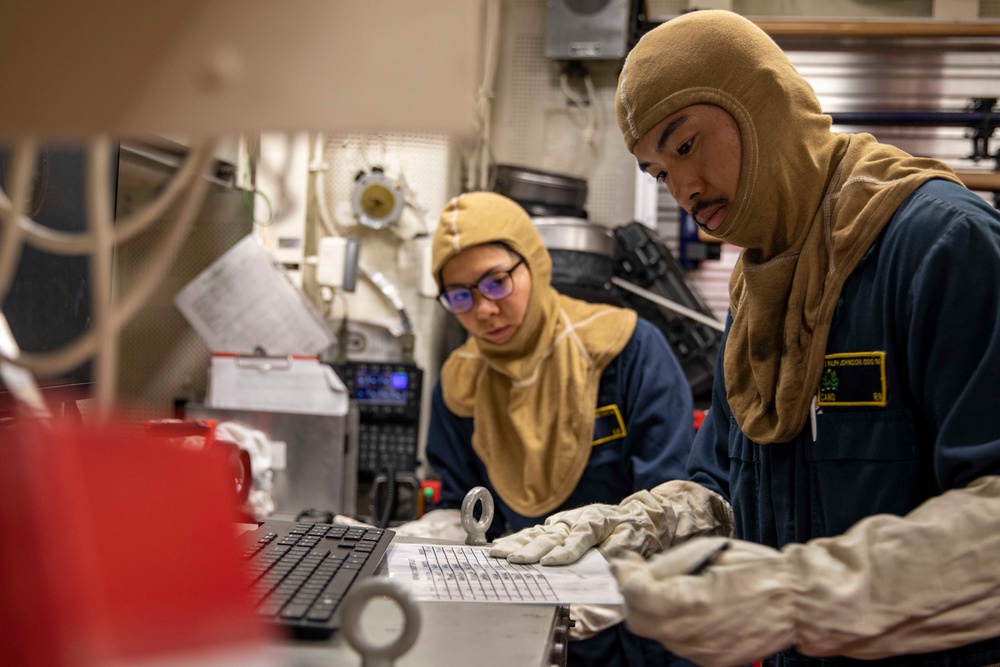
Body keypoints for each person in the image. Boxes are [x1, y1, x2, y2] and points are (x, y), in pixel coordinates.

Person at [488, 10, 1000, 667]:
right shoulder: (756, 291)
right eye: (659, 173)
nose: (684, 188)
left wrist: (796, 594)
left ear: (758, 104)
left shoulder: (939, 247)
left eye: (685, 144)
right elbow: (722, 486)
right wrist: (633, 527)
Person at [404, 190, 697, 667]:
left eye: (496, 283)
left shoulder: (626, 350)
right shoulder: (459, 384)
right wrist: (410, 544)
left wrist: (597, 595)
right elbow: (463, 509)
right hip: (513, 625)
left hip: (633, 629)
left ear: (534, 263)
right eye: (459, 295)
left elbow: (674, 509)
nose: (482, 310)